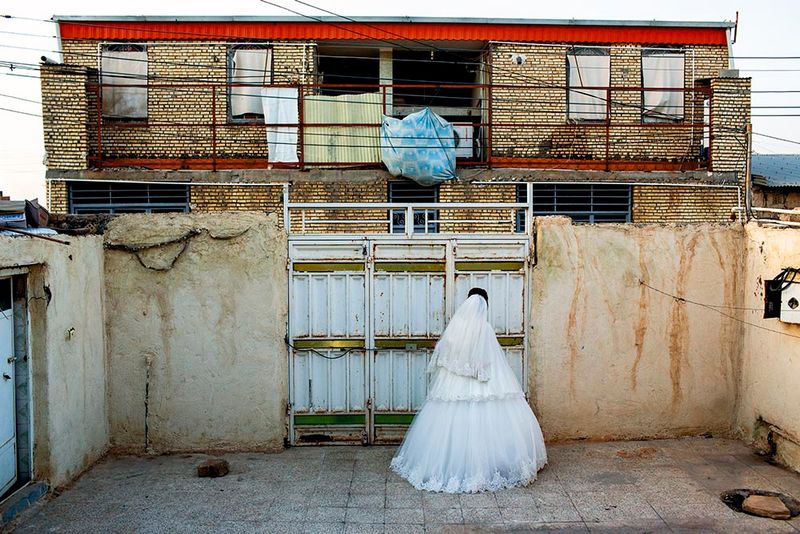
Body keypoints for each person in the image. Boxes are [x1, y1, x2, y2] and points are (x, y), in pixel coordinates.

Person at [390, 287, 547, 493]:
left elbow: (446, 356)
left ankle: (448, 462)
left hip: (453, 384)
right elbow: (488, 362)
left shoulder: (455, 328)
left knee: (449, 424)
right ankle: (491, 464)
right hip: (482, 381)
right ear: (485, 304)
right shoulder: (485, 329)